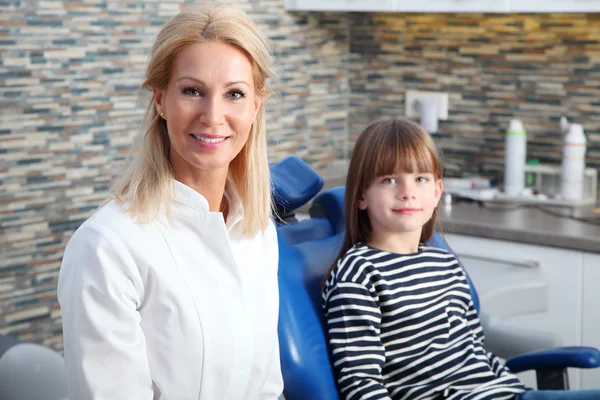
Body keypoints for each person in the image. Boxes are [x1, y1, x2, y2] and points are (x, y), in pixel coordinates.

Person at [57, 3, 283, 399]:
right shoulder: (106, 246)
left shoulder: (257, 228)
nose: (213, 116)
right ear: (160, 100)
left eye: (234, 94)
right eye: (192, 91)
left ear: (255, 106)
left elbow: (266, 386)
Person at [321, 118, 600, 400]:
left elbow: (474, 351)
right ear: (360, 196)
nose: (407, 192)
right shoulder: (359, 274)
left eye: (420, 179)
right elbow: (361, 384)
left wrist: (510, 386)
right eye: (389, 180)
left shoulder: (445, 263)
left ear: (436, 191)